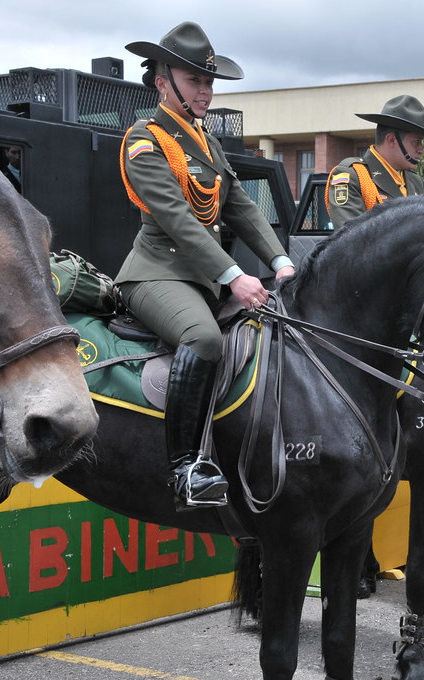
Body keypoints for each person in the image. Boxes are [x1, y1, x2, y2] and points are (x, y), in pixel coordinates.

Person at [117, 21, 295, 510]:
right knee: (204, 339)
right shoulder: (144, 141)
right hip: (156, 274)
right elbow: (178, 221)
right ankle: (184, 469)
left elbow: (241, 207)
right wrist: (235, 275)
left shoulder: (208, 144)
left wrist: (281, 263)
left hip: (204, 279)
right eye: (194, 80)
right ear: (162, 83)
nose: (206, 91)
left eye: (209, 81)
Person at [324, 94, 424, 229]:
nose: (421, 149)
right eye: (416, 142)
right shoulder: (353, 176)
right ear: (392, 140)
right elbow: (351, 239)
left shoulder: (415, 182)